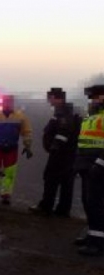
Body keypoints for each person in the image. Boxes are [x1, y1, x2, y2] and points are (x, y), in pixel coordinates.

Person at [29, 88, 82, 217]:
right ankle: (63, 210)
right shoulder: (68, 111)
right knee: (66, 182)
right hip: (70, 154)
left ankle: (46, 207)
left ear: (57, 98)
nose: (49, 101)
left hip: (61, 154)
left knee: (51, 178)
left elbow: (64, 132)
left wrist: (54, 147)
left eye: (50, 98)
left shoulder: (64, 113)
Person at [0, 94, 33, 205]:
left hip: (12, 149)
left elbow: (26, 133)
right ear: (2, 103)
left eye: (10, 102)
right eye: (6, 102)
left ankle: (6, 194)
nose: (7, 104)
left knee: (9, 173)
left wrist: (28, 147)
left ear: (13, 103)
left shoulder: (21, 117)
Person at [73, 85, 104, 256]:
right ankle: (92, 235)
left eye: (95, 97)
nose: (92, 100)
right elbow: (83, 141)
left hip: (99, 167)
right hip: (87, 166)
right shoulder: (91, 116)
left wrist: (100, 163)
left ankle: (98, 243)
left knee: (97, 204)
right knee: (88, 202)